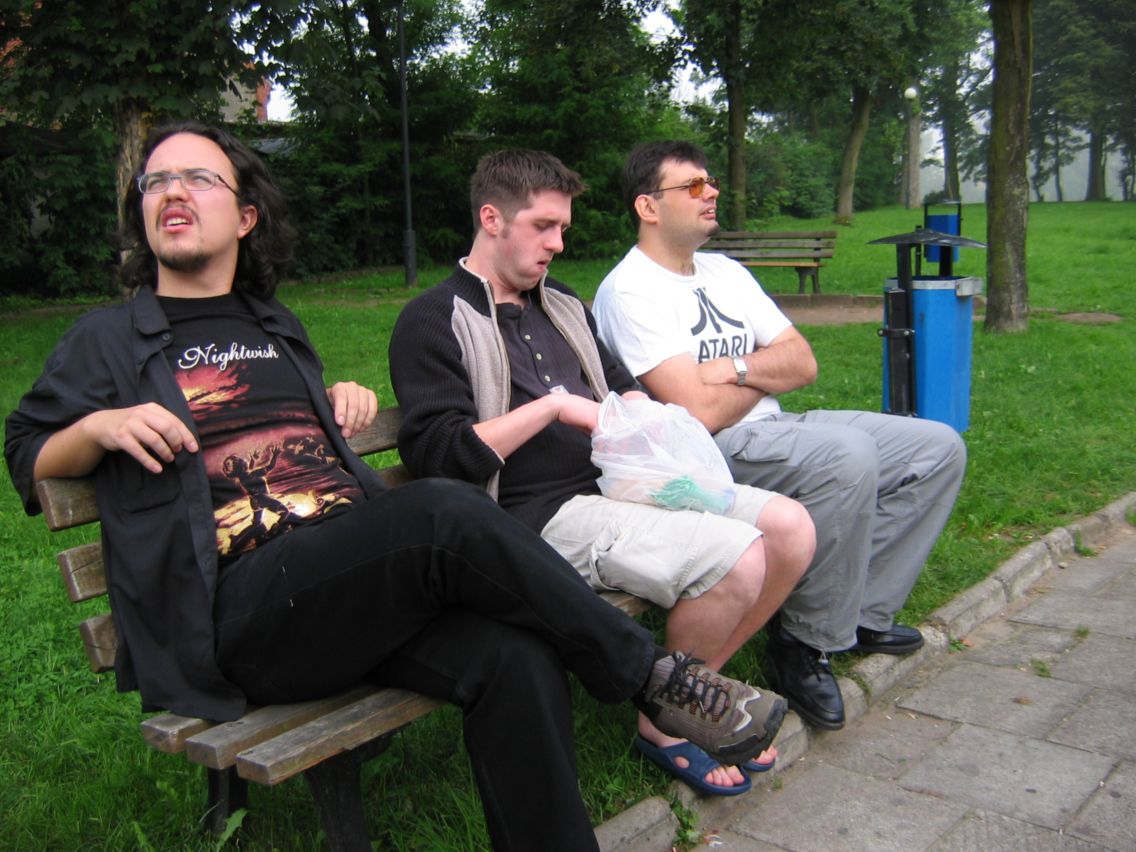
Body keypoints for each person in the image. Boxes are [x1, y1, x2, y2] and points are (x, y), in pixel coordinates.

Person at [4, 123, 788, 851]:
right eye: (156, 181)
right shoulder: (108, 338)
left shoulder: (272, 326)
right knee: (440, 508)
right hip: (240, 612)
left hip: (339, 589)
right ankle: (652, 679)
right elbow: (25, 450)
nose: (172, 191)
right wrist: (98, 427)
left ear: (245, 217)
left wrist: (332, 401)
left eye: (198, 178)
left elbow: (278, 434)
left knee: (516, 657)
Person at [388, 149, 813, 797]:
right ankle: (668, 721)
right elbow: (439, 456)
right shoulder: (432, 320)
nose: (558, 244)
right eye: (543, 226)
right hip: (531, 519)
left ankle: (697, 687)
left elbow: (618, 386)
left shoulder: (560, 302)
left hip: (618, 485)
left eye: (563, 228)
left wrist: (645, 420)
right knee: (738, 558)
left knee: (789, 529)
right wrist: (553, 407)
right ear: (492, 219)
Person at [593, 140, 967, 732]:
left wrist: (732, 368)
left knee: (937, 448)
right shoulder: (630, 290)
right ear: (648, 206)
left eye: (711, 181)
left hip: (775, 426)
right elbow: (698, 413)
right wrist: (759, 370)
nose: (712, 192)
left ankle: (861, 613)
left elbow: (803, 362)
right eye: (693, 186)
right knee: (847, 456)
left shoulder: (726, 271)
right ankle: (802, 641)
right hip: (705, 456)